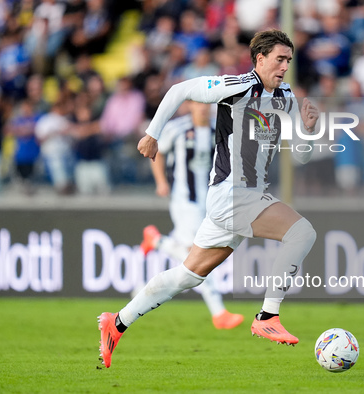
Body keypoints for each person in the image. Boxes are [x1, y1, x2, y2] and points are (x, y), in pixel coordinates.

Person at [98, 29, 319, 369]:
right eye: (279, 59)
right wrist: (152, 134)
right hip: (232, 194)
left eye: (288, 60)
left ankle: (117, 321)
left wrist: (308, 130)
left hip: (243, 198)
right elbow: (180, 89)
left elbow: (301, 157)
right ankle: (266, 316)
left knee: (188, 275)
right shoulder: (238, 87)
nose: (284, 66)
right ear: (259, 59)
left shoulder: (286, 97)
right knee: (302, 233)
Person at [135, 100, 243, 330]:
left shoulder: (219, 129)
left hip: (211, 201)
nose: (203, 108)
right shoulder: (177, 128)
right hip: (185, 199)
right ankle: (219, 312)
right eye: (198, 104)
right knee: (194, 254)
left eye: (207, 104)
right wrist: (161, 181)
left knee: (188, 253)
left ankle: (155, 241)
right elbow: (157, 152)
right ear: (191, 105)